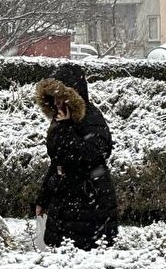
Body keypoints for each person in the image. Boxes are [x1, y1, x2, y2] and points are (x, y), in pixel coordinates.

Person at [33, 63, 119, 250]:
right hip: (65, 200)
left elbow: (95, 153)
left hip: (89, 200)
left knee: (85, 254)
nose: (57, 103)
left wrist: (65, 129)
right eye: (54, 97)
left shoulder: (91, 118)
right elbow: (57, 161)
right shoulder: (61, 118)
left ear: (72, 96)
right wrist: (43, 198)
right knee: (62, 252)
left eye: (61, 97)